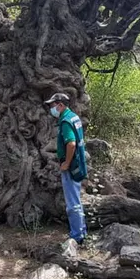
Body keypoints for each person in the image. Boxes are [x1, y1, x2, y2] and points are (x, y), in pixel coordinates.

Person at [45, 92, 88, 244]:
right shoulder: (74, 117)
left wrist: (66, 163)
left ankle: (77, 236)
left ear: (61, 105)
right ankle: (82, 231)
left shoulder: (65, 121)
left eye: (53, 105)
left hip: (72, 165)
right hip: (79, 162)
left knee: (72, 203)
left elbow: (71, 143)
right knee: (76, 199)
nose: (51, 109)